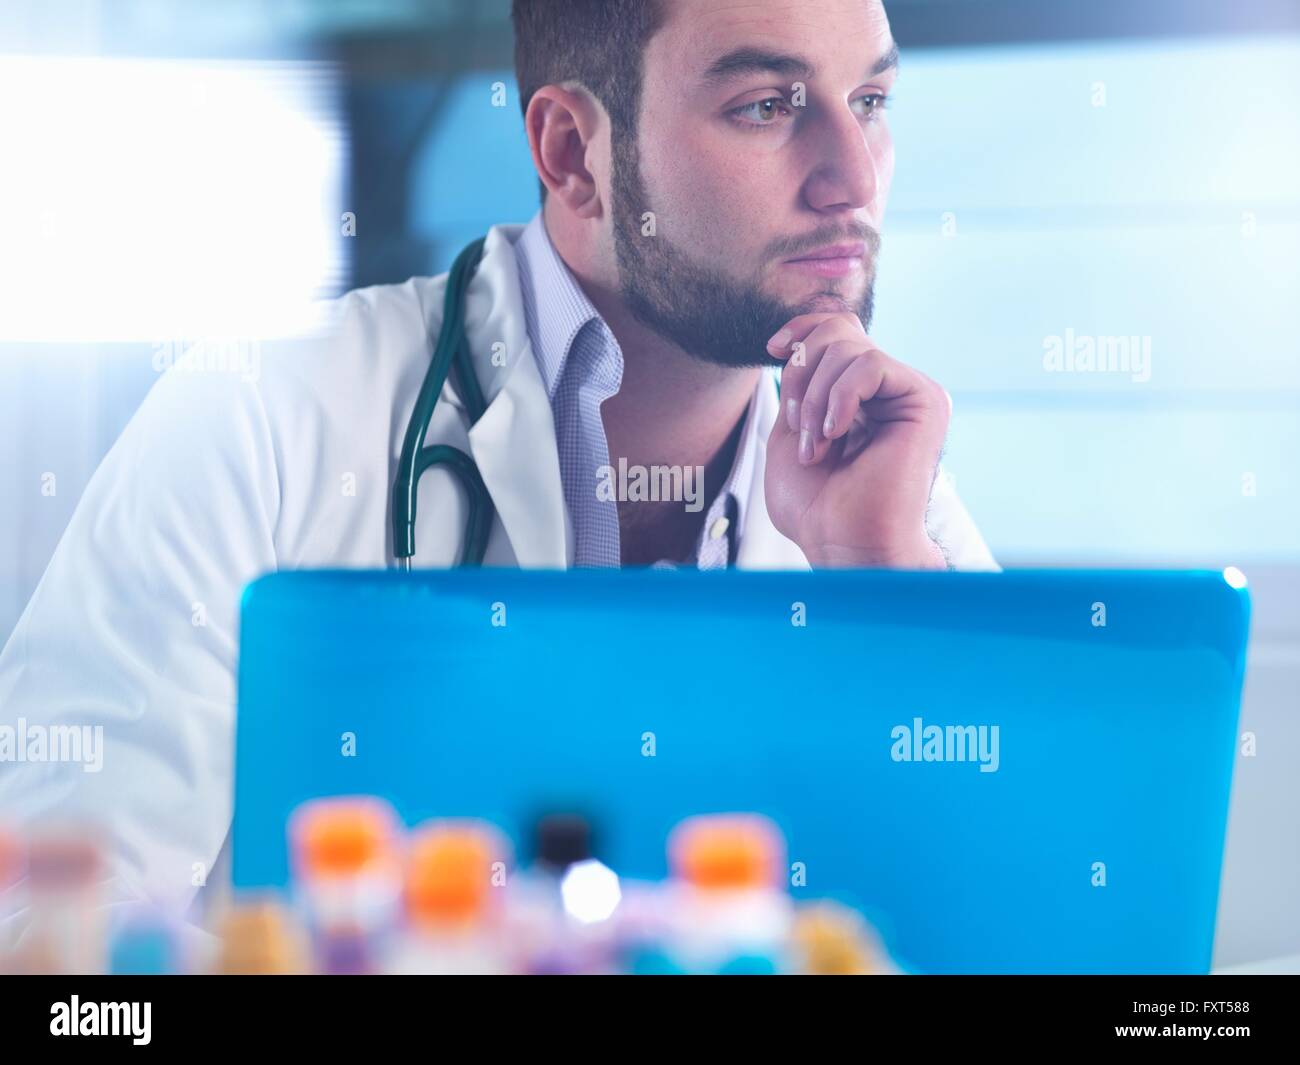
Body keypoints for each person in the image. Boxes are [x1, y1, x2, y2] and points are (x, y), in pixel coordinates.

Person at [0, 0, 996, 930]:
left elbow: (1013, 914)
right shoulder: (260, 421)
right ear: (572, 153)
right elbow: (57, 942)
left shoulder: (896, 508)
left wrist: (880, 583)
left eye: (868, 102)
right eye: (764, 106)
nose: (854, 179)